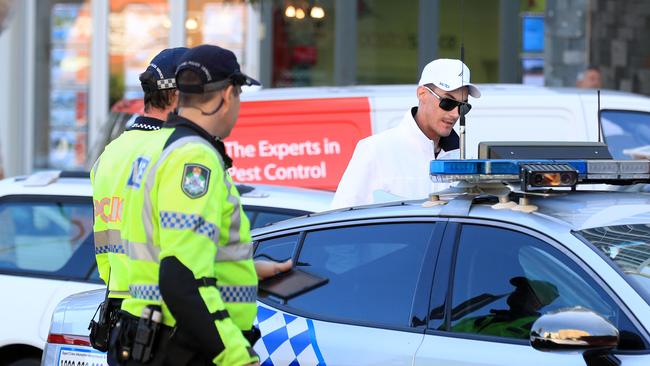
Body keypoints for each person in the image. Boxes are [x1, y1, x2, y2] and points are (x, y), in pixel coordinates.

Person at [108, 44, 274, 366]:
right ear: (228, 94)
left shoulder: (158, 148)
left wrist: (248, 271)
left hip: (149, 333)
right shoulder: (194, 158)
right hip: (179, 343)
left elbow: (173, 252)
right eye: (239, 95)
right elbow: (181, 276)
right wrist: (238, 358)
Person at [90, 47, 189, 349]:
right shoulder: (177, 150)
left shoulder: (111, 153)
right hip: (164, 310)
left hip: (119, 305)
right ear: (174, 96)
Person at [331, 58, 481, 209]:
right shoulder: (375, 150)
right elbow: (338, 220)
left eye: (463, 107)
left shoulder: (466, 158)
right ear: (422, 93)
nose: (456, 114)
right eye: (448, 102)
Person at [452, 276, 559, 339]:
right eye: (518, 288)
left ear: (538, 303)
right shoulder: (485, 318)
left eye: (525, 291)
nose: (517, 291)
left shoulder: (536, 329)